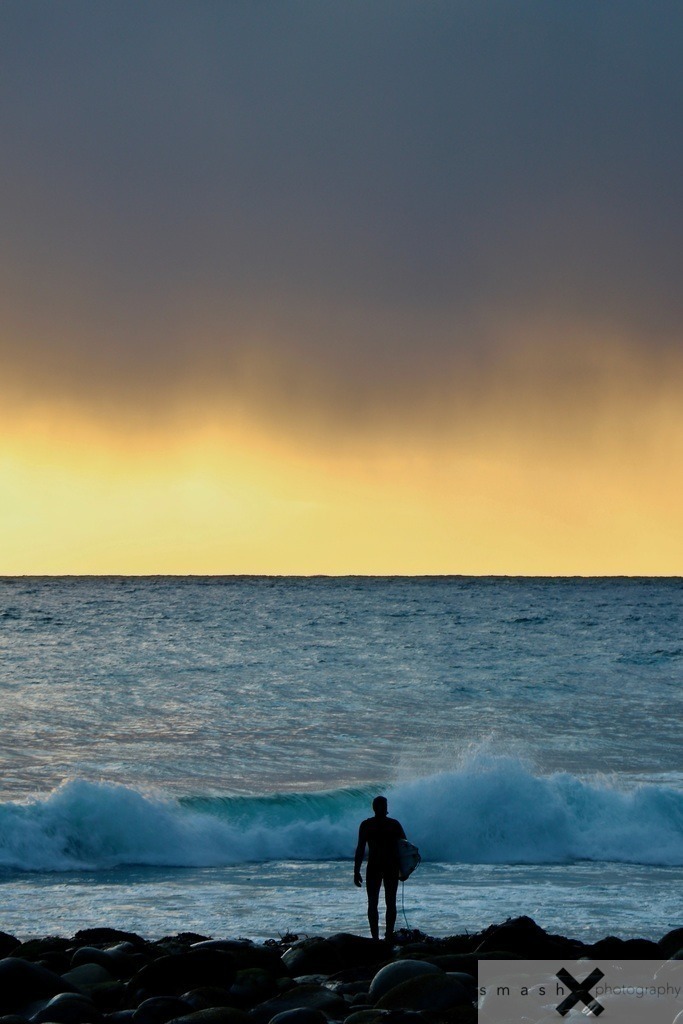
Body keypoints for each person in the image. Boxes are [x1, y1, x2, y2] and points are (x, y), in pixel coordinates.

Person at [354, 794, 406, 942]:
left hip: (384, 866)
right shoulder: (385, 824)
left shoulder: (385, 824)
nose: (384, 808)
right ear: (376, 808)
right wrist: (356, 870)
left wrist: (404, 870)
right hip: (380, 866)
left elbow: (404, 848)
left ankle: (385, 935)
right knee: (375, 902)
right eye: (383, 805)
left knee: (387, 902)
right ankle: (377, 937)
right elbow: (360, 849)